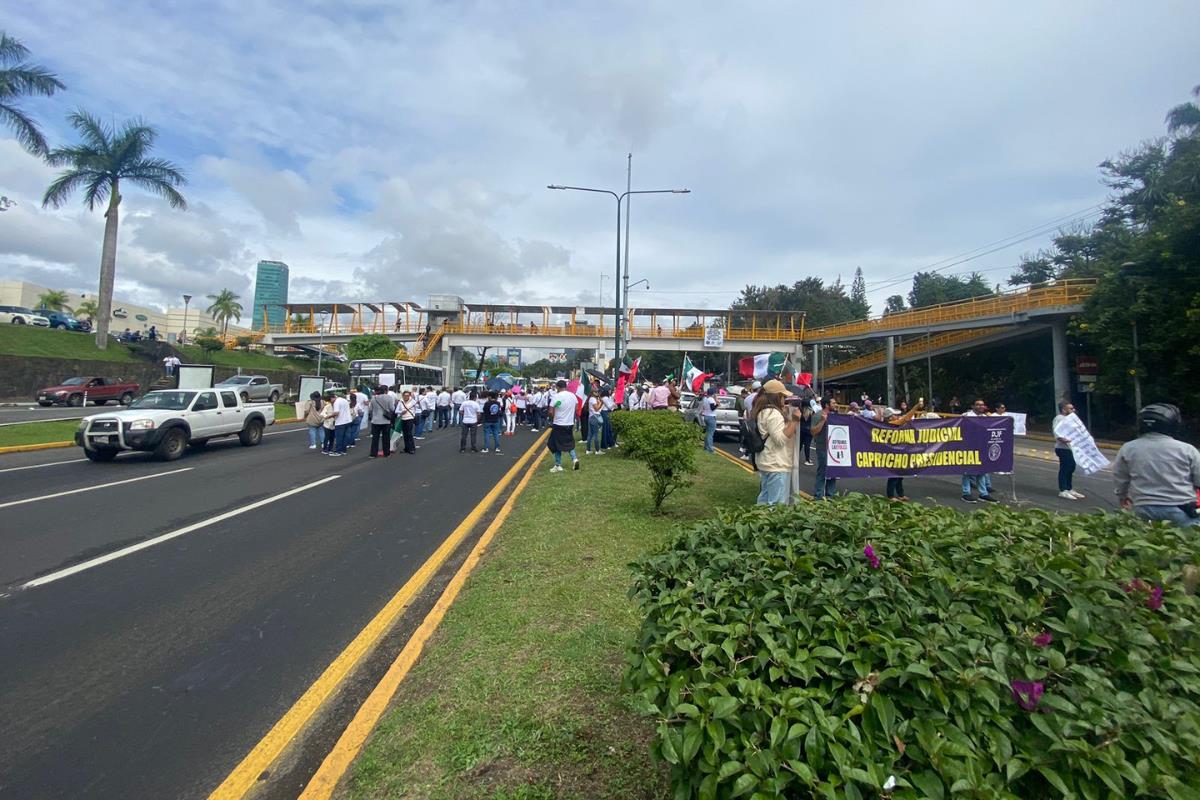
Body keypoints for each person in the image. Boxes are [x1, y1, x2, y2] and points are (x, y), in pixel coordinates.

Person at [1114, 403, 1200, 527]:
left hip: (1143, 508)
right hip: (1181, 508)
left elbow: (1120, 477)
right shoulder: (1186, 449)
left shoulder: (1128, 448)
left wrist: (1122, 496)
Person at [753, 380, 800, 505]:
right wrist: (794, 421)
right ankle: (769, 524)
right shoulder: (773, 414)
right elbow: (780, 440)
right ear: (777, 397)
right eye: (783, 397)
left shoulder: (764, 411)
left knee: (764, 499)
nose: (785, 400)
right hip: (776, 463)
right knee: (775, 504)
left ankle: (758, 522)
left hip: (767, 461)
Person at [960, 398, 998, 503]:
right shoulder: (966, 416)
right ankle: (966, 493)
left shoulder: (985, 417)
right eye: (978, 405)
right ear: (973, 406)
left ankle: (983, 493)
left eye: (982, 405)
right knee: (967, 470)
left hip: (981, 446)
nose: (980, 406)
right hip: (968, 446)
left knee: (982, 470)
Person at [1052, 401, 1084, 500]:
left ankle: (1069, 488)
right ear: (1063, 409)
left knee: (1071, 467)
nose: (1073, 410)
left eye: (1073, 408)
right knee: (1065, 468)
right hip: (1063, 448)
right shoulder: (1059, 418)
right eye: (1070, 408)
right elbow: (1057, 431)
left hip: (1071, 448)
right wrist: (1063, 439)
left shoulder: (1071, 419)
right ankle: (1063, 490)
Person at [548, 379, 580, 472]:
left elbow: (550, 411)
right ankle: (574, 459)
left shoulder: (556, 396)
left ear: (558, 387)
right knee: (568, 442)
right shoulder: (573, 396)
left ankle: (558, 464)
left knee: (556, 444)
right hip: (569, 423)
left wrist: (553, 417)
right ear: (565, 387)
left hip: (559, 423)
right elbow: (576, 407)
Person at [811, 397, 837, 499]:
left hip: (834, 448)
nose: (836, 404)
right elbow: (813, 431)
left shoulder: (835, 415)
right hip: (822, 448)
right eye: (833, 403)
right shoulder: (818, 415)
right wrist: (822, 421)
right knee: (823, 471)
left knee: (834, 471)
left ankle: (830, 495)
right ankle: (818, 496)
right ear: (827, 405)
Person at [882, 411, 909, 500]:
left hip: (898, 453)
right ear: (890, 418)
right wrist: (917, 406)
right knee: (893, 476)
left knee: (900, 476)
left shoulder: (893, 424)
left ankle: (900, 494)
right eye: (895, 415)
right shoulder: (891, 424)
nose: (897, 416)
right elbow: (905, 419)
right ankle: (891, 495)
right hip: (892, 453)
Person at [368, 385, 397, 458]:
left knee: (375, 438)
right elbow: (392, 409)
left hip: (375, 420)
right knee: (386, 437)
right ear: (386, 390)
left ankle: (373, 454)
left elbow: (370, 409)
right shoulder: (389, 398)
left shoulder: (373, 398)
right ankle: (386, 453)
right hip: (385, 420)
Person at [397, 389, 419, 454]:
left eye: (408, 395)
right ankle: (406, 448)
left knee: (409, 433)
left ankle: (412, 448)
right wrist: (401, 412)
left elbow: (417, 409)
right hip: (403, 419)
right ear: (403, 396)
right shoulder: (400, 401)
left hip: (410, 418)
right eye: (405, 395)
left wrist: (413, 414)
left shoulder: (413, 401)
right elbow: (396, 411)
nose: (406, 397)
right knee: (405, 434)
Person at [331, 392, 353, 456]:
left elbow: (336, 413)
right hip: (348, 420)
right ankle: (344, 450)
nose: (331, 401)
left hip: (340, 422)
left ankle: (338, 451)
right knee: (345, 437)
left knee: (339, 437)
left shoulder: (336, 402)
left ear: (333, 397)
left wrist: (329, 416)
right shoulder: (345, 400)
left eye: (331, 399)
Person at [700, 387, 719, 454]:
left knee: (707, 433)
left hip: (706, 416)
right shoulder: (711, 399)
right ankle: (710, 449)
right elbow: (712, 408)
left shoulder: (705, 399)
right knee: (710, 433)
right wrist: (717, 404)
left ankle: (706, 447)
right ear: (713, 393)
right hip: (711, 416)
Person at [586, 389, 605, 454]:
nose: (597, 393)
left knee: (590, 435)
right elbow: (596, 409)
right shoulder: (593, 399)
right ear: (592, 392)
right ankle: (597, 450)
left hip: (591, 417)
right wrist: (601, 403)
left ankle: (588, 450)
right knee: (596, 434)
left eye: (597, 391)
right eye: (595, 391)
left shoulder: (592, 399)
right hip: (595, 417)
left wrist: (600, 402)